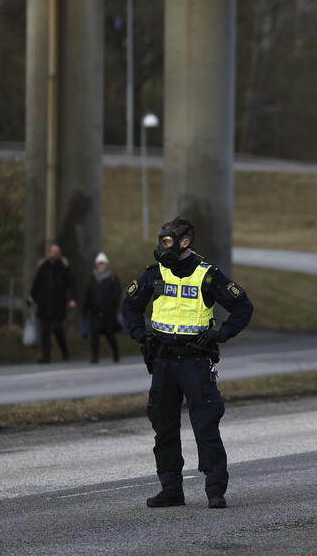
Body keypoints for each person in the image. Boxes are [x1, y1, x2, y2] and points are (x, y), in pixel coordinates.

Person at [121, 216, 254, 510]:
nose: (162, 246)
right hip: (163, 361)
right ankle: (171, 489)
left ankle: (215, 489)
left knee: (206, 426)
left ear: (185, 242)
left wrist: (222, 333)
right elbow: (129, 306)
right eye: (160, 240)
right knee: (164, 427)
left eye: (167, 241)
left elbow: (243, 306)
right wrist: (140, 334)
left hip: (195, 360)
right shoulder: (154, 274)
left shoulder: (208, 275)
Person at [29, 243, 77, 363]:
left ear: (59, 253)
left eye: (57, 251)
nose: (55, 254)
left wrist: (72, 299)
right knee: (45, 332)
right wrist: (31, 299)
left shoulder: (64, 268)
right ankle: (46, 357)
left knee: (58, 330)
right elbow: (36, 285)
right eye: (53, 251)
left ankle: (65, 351)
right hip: (44, 306)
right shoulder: (42, 267)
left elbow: (71, 285)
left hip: (58, 306)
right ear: (49, 252)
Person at [83, 251, 122, 364]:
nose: (101, 266)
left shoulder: (112, 278)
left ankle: (116, 353)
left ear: (106, 265)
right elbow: (88, 295)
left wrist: (113, 305)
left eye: (103, 264)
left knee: (109, 334)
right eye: (99, 264)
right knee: (94, 334)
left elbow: (117, 293)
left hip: (108, 312)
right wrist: (85, 310)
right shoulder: (92, 279)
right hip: (94, 312)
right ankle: (95, 356)